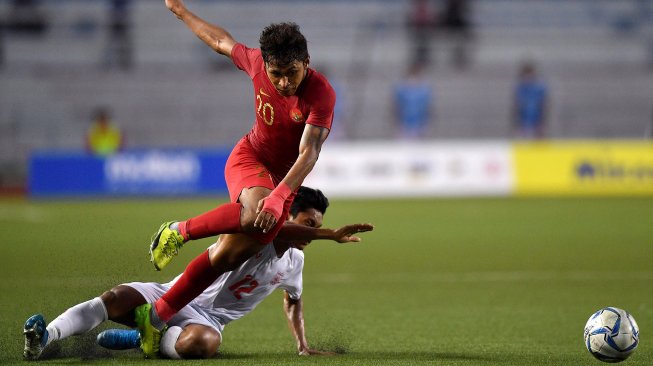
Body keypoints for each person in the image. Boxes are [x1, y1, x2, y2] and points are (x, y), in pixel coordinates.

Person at [135, 0, 337, 357]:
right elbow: (219, 41)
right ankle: (178, 231)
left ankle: (155, 316)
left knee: (229, 256)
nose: (284, 81)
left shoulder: (321, 94)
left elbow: (309, 153)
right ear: (267, 65)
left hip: (283, 179)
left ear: (306, 62)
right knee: (253, 216)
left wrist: (279, 197)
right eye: (277, 74)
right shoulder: (257, 63)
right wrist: (180, 10)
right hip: (250, 157)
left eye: (291, 71)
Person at [23, 187, 373, 360]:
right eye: (308, 223)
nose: (312, 232)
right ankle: (45, 338)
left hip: (207, 321)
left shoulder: (295, 263)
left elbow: (293, 300)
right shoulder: (251, 233)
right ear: (287, 216)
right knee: (113, 298)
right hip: (172, 293)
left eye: (318, 226)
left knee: (204, 344)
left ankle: (139, 338)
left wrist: (302, 345)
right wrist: (329, 235)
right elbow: (278, 231)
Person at [393, 63, 434, 139]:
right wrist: (398, 123)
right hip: (405, 123)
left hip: (419, 123)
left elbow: (427, 107)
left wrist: (426, 123)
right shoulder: (401, 89)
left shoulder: (424, 90)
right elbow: (397, 106)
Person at [512, 61, 549, 140]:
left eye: (529, 75)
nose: (527, 78)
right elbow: (517, 106)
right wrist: (516, 122)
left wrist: (542, 122)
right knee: (523, 140)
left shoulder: (539, 87)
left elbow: (543, 104)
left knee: (538, 141)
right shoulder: (519, 87)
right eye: (525, 75)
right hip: (523, 120)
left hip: (536, 118)